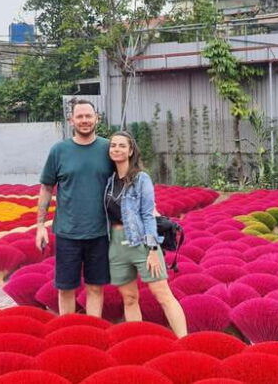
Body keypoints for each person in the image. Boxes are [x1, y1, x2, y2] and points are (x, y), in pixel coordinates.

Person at [36, 99, 114, 317]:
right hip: (67, 233)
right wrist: (40, 225)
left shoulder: (108, 149)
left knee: (96, 288)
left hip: (99, 232)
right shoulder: (59, 150)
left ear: (97, 118)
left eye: (88, 116)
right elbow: (46, 188)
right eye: (79, 117)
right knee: (66, 288)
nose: (85, 120)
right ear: (71, 121)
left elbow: (128, 181)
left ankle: (92, 331)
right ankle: (68, 331)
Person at [105, 131, 187, 337]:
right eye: (113, 145)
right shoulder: (108, 180)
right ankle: (138, 342)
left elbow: (148, 215)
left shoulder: (141, 178)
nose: (116, 149)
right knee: (130, 298)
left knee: (163, 295)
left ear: (131, 150)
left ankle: (184, 340)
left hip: (141, 242)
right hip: (115, 245)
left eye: (122, 145)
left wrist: (152, 249)